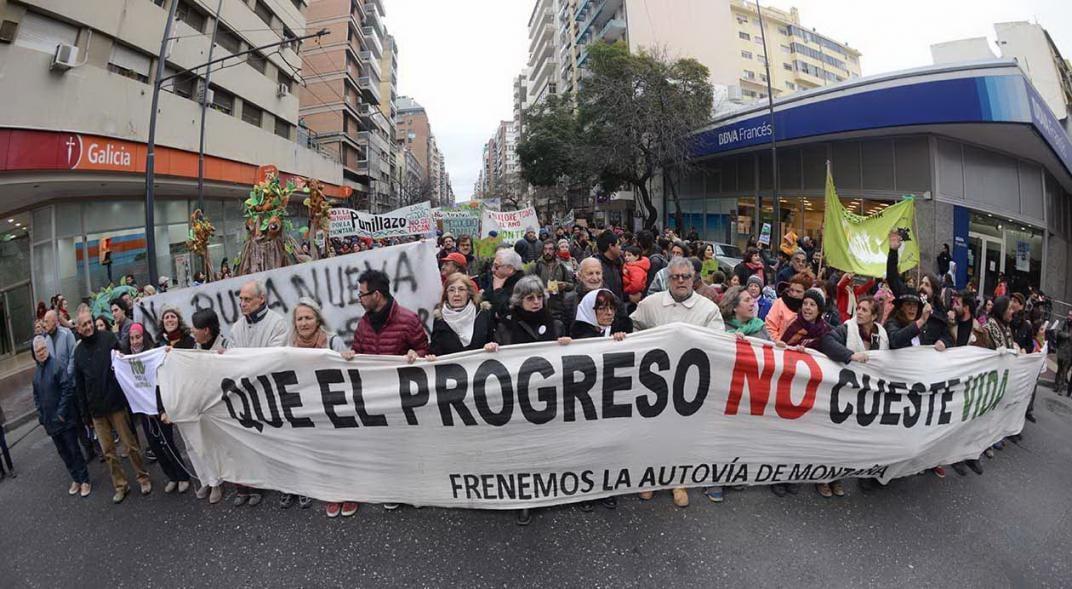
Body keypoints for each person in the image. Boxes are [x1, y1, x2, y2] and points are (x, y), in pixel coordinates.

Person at [630, 257, 723, 508]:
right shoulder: (650, 304)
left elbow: (718, 344)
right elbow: (634, 332)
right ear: (667, 279)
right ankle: (649, 477)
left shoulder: (708, 308)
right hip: (654, 382)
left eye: (685, 276)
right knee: (652, 431)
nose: (680, 281)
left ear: (693, 279)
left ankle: (677, 480)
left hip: (689, 384)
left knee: (682, 432)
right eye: (675, 277)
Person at [71, 309, 152, 504]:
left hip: (116, 404)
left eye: (90, 322)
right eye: (84, 325)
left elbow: (124, 365)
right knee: (108, 452)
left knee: (130, 444)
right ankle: (121, 485)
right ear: (78, 329)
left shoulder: (109, 339)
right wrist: (86, 416)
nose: (89, 327)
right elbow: (80, 387)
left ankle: (143, 477)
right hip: (96, 411)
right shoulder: (78, 353)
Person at [286, 298, 352, 516]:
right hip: (307, 407)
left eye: (308, 318)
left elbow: (349, 372)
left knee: (341, 451)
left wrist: (348, 358)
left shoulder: (333, 342)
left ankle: (350, 493)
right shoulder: (288, 347)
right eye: (300, 319)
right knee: (321, 452)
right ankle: (333, 493)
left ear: (317, 319)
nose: (304, 323)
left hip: (334, 406)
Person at [227, 280, 288, 507]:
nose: (242, 303)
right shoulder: (236, 328)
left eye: (247, 299)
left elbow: (272, 359)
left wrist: (245, 362)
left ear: (261, 299)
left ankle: (286, 485)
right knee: (254, 439)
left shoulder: (277, 324)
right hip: (248, 393)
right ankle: (259, 481)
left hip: (271, 390)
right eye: (241, 299)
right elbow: (234, 360)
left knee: (277, 439)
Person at [125, 322, 192, 497]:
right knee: (155, 446)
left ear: (144, 337)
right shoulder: (128, 358)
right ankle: (172, 477)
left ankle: (183, 475)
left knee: (168, 443)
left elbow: (161, 380)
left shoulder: (152, 353)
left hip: (159, 407)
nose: (135, 341)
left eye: (138, 337)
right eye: (132, 338)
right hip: (145, 411)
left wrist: (163, 408)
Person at [33, 335, 90, 497]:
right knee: (63, 453)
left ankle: (85, 480)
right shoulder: (37, 373)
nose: (41, 353)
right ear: (35, 354)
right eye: (38, 351)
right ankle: (76, 478)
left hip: (64, 420)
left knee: (74, 450)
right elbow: (36, 396)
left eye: (43, 349)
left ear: (47, 349)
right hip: (50, 424)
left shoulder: (57, 366)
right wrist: (41, 416)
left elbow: (66, 390)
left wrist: (61, 414)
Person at [189, 309, 228, 503]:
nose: (192, 331)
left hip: (222, 404)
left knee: (222, 444)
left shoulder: (227, 346)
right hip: (201, 403)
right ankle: (208, 480)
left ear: (206, 330)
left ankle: (228, 480)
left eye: (195, 328)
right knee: (199, 443)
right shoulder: (194, 348)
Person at [351, 269, 429, 359]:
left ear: (376, 295)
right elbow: (356, 354)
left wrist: (415, 355)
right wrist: (350, 355)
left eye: (362, 295)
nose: (359, 299)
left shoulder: (409, 320)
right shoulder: (363, 324)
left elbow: (424, 350)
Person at [429, 273, 496, 356]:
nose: (456, 294)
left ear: (468, 293)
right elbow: (435, 351)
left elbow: (494, 340)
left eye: (461, 289)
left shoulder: (483, 314)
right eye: (451, 290)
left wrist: (491, 346)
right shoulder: (439, 319)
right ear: (446, 294)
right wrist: (432, 357)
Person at [493, 275, 571, 347]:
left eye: (539, 297)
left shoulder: (556, 326)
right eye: (530, 298)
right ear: (519, 301)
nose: (536, 301)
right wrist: (491, 348)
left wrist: (568, 344)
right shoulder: (505, 327)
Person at [531, 239, 575, 325]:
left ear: (555, 251)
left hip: (558, 308)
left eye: (550, 249)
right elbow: (527, 287)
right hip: (540, 307)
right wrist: (542, 290)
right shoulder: (536, 266)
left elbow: (571, 285)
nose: (547, 252)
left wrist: (565, 285)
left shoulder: (561, 266)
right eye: (545, 249)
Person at [764, 271, 812, 342]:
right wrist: (780, 343)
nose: (794, 294)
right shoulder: (780, 303)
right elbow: (769, 327)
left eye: (798, 291)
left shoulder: (810, 308)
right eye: (792, 290)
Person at [486, 249, 525, 320]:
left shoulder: (523, 287)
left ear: (510, 269)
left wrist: (498, 291)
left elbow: (506, 312)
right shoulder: (498, 278)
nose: (493, 270)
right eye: (492, 265)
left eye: (496, 267)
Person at [595, 230, 624, 301]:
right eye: (618, 244)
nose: (620, 248)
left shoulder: (616, 263)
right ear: (611, 246)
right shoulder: (597, 267)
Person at [1053, 310, 1072, 395]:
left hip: (1069, 352)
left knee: (1065, 371)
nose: (1069, 317)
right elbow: (1058, 332)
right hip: (1061, 350)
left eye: (1071, 316)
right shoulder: (1063, 323)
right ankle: (1056, 386)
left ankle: (1060, 388)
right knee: (1059, 369)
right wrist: (1067, 335)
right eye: (1069, 315)